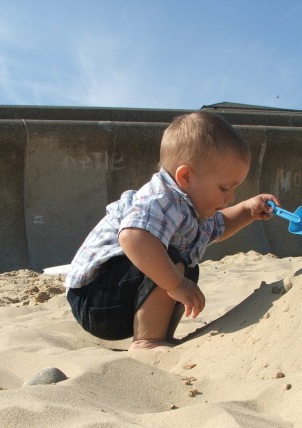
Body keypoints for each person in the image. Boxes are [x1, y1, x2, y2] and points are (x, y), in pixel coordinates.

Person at [65, 111, 280, 351]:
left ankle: (159, 335)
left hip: (121, 299)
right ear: (186, 177)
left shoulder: (193, 208)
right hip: (96, 299)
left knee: (184, 269)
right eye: (224, 188)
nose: (230, 197)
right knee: (172, 265)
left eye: (234, 189)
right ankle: (149, 340)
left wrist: (248, 211)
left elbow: (219, 226)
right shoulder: (161, 199)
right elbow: (133, 237)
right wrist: (177, 285)